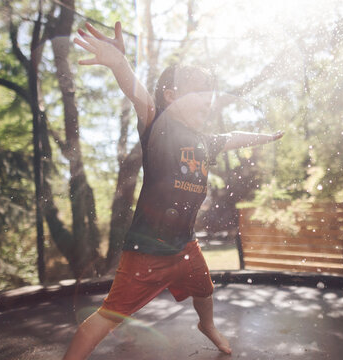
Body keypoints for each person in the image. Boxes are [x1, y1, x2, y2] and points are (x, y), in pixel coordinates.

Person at [63, 21, 284, 360]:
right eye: (198, 94)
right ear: (171, 97)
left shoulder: (205, 142)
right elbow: (136, 92)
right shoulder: (158, 126)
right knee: (110, 315)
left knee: (204, 289)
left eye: (210, 96)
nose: (208, 102)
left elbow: (235, 136)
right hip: (147, 252)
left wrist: (265, 137)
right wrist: (120, 63)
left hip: (185, 247)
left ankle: (206, 325)